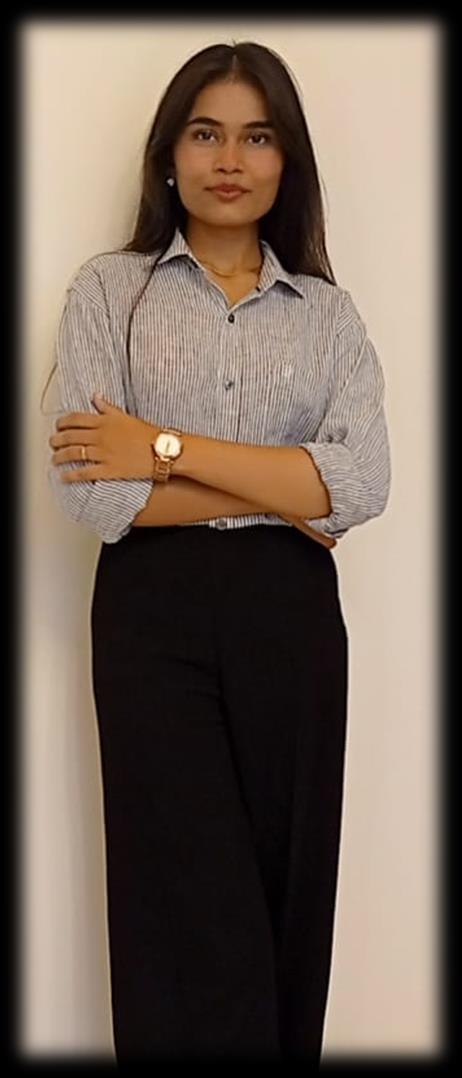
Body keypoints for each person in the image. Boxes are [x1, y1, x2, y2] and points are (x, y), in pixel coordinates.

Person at [45, 40, 391, 1063]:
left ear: (289, 160)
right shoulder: (110, 292)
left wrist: (164, 448)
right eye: (205, 133)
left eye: (257, 136)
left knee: (286, 894)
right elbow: (94, 489)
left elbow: (362, 484)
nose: (229, 159)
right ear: (169, 153)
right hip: (151, 617)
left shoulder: (328, 316)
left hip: (291, 618)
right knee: (180, 901)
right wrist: (288, 489)